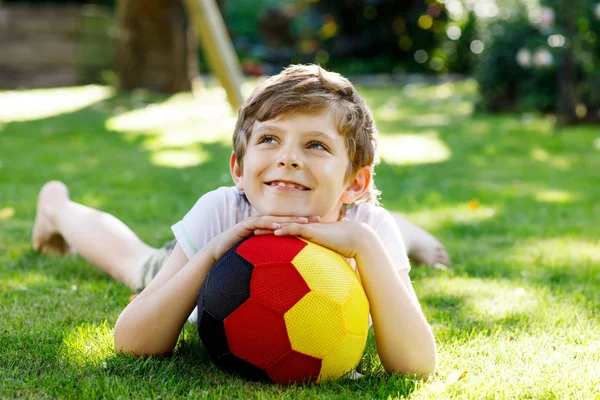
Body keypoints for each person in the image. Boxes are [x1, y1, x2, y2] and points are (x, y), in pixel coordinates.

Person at [32, 65, 441, 378]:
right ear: (239, 169)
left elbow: (417, 365)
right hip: (208, 247)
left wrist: (366, 245)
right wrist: (211, 253)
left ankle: (412, 236)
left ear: (355, 182)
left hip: (356, 222)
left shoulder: (366, 230)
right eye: (269, 139)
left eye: (315, 145)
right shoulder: (220, 211)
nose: (289, 158)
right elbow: (131, 343)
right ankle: (57, 207)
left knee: (385, 229)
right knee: (137, 264)